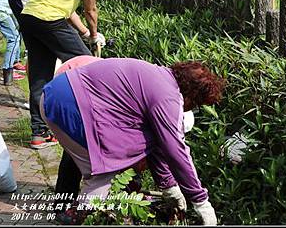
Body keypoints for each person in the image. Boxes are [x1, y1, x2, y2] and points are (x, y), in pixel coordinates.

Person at [41, 59, 224, 225]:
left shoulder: (157, 74)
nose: (194, 107)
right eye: (198, 103)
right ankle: (75, 215)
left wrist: (169, 186)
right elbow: (175, 150)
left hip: (52, 96)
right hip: (67, 108)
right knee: (106, 174)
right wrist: (201, 201)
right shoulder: (168, 97)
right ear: (192, 94)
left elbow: (158, 144)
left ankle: (80, 209)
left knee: (111, 163)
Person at [17, 0, 110, 149]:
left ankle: (39, 134)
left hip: (29, 17)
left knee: (40, 76)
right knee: (89, 67)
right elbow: (90, 9)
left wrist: (85, 33)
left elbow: (67, 8)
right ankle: (95, 126)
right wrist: (94, 36)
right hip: (50, 19)